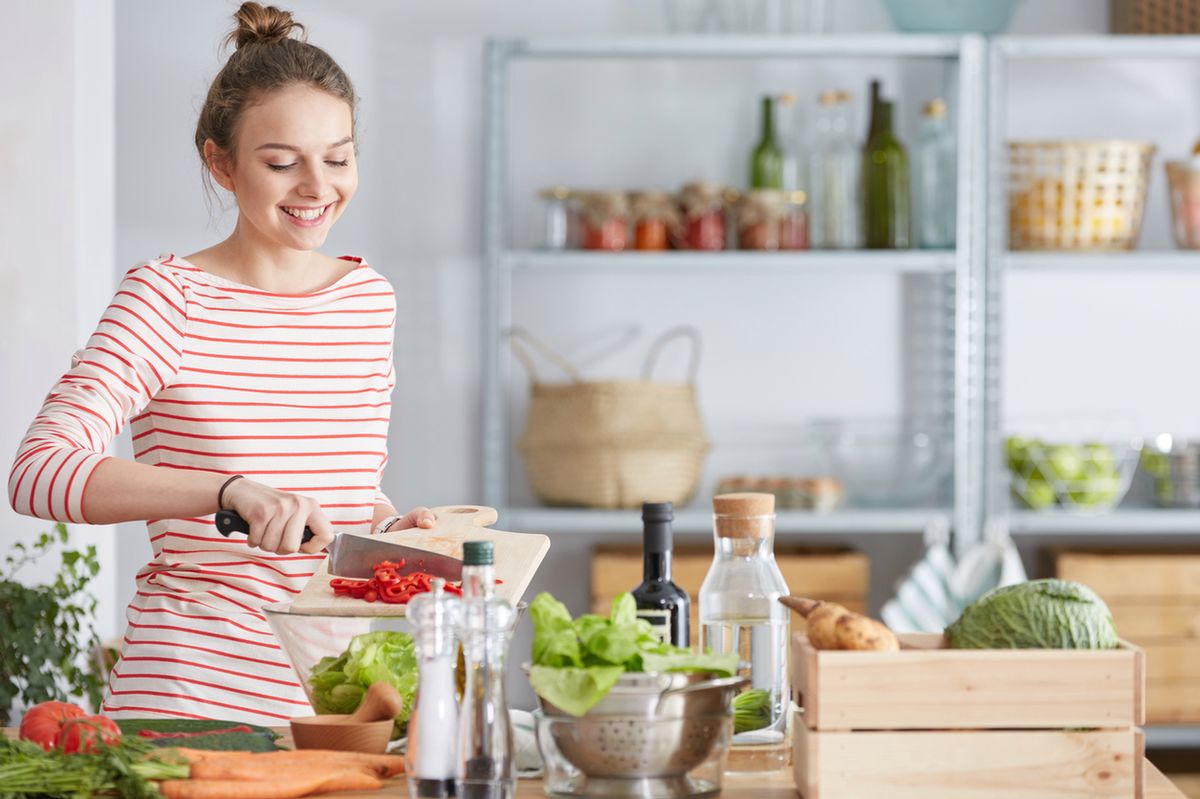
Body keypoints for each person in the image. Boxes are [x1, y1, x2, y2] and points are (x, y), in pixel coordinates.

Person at [7, 2, 434, 724]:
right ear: (221, 162)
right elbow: (39, 471)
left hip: (335, 707)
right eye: (281, 162)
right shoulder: (167, 297)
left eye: (338, 157)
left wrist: (387, 535)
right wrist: (229, 490)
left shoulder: (368, 300)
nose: (317, 187)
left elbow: (342, 485)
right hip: (190, 699)